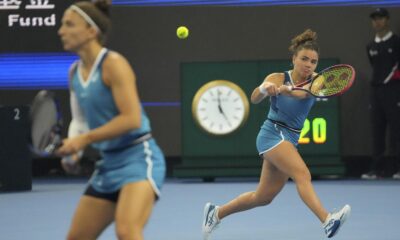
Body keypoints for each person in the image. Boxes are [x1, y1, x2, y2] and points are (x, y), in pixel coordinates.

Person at [202, 29, 351, 239]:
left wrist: (286, 90)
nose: (309, 65)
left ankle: (216, 213)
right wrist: (264, 88)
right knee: (302, 174)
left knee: (263, 197)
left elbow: (301, 94)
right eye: (304, 59)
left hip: (290, 138)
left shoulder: (318, 80)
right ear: (294, 59)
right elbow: (254, 98)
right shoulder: (277, 76)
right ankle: (327, 220)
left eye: (314, 61)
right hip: (272, 133)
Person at [57, 1, 166, 240]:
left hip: (139, 158)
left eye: (68, 24)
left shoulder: (114, 65)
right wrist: (75, 151)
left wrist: (84, 139)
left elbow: (131, 119)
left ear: (91, 31)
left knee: (127, 231)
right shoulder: (74, 73)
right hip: (108, 165)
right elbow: (80, 121)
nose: (61, 30)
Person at [361, 8, 400, 180]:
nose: (377, 21)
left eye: (381, 18)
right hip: (376, 93)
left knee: (397, 131)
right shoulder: (370, 46)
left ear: (387, 20)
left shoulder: (397, 42)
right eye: (374, 19)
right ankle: (376, 169)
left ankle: (397, 168)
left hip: (394, 91)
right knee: (377, 130)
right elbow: (375, 67)